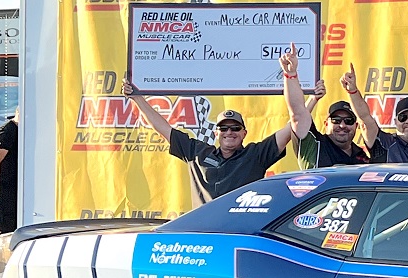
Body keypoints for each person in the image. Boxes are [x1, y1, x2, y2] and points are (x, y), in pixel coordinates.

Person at [122, 49, 292, 208]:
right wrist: (137, 99)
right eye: (223, 128)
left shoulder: (255, 155)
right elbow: (164, 128)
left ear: (244, 133)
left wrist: (309, 95)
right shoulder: (197, 152)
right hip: (203, 232)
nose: (229, 132)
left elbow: (292, 125)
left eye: (235, 128)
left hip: (238, 232)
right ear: (215, 132)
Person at [284, 53, 371, 168]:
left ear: (356, 126)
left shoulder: (362, 155)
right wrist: (313, 97)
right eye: (336, 120)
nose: (342, 125)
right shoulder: (315, 144)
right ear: (326, 124)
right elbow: (298, 116)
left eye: (348, 121)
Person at [342, 63, 408, 163]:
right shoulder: (384, 142)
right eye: (403, 117)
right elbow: (364, 117)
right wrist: (352, 91)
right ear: (395, 122)